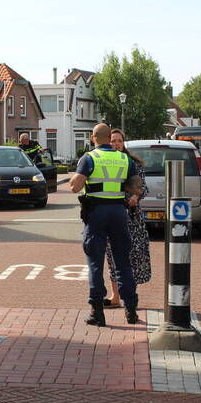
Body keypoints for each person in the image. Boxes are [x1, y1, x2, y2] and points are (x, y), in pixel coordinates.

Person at [70, 123, 140, 326]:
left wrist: (76, 179)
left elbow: (75, 187)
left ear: (93, 138)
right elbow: (136, 187)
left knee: (95, 263)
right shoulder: (124, 159)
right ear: (110, 138)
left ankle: (97, 313)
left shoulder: (89, 158)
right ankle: (131, 311)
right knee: (123, 263)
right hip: (119, 212)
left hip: (96, 213)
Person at [103, 128, 151, 307]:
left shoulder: (133, 163)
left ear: (124, 143)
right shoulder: (105, 162)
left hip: (132, 218)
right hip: (113, 215)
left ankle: (131, 296)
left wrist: (136, 197)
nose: (116, 144)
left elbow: (143, 187)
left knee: (134, 256)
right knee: (112, 257)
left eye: (119, 141)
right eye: (113, 141)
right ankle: (115, 297)